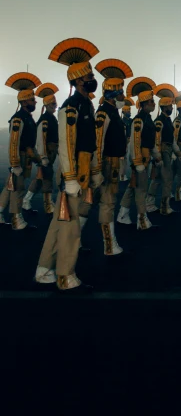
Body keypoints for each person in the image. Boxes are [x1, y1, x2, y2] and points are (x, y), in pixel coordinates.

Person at [35, 38, 102, 292]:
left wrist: (93, 170)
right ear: (77, 80)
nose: (92, 79)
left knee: (59, 222)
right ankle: (65, 275)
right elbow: (66, 144)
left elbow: (89, 143)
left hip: (83, 170)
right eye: (88, 76)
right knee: (71, 226)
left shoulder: (86, 104)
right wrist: (71, 177)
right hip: (74, 172)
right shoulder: (70, 107)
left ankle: (44, 269)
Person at [93, 58, 133, 254]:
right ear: (113, 93)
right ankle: (109, 244)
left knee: (96, 203)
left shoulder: (113, 112)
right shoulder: (104, 113)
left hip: (113, 162)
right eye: (121, 92)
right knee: (107, 203)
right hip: (107, 164)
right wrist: (98, 169)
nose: (123, 96)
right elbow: (98, 142)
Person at [117, 77, 162, 230]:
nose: (153, 104)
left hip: (146, 158)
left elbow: (151, 141)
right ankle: (142, 220)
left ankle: (123, 213)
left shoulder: (148, 118)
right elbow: (135, 143)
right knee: (141, 189)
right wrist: (137, 163)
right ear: (143, 104)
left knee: (133, 186)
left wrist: (156, 155)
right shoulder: (139, 120)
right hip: (140, 160)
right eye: (150, 102)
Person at [0, 72, 42, 229]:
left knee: (9, 186)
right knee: (18, 189)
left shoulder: (27, 116)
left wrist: (37, 159)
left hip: (26, 156)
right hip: (20, 157)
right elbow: (14, 142)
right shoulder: (19, 118)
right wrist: (15, 163)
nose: (35, 102)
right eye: (32, 99)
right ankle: (17, 220)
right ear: (24, 101)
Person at [22, 83, 60, 216]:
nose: (55, 106)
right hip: (46, 153)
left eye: (55, 104)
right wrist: (43, 156)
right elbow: (40, 140)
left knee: (40, 178)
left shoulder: (51, 119)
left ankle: (26, 200)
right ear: (47, 105)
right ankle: (48, 204)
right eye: (53, 104)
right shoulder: (45, 120)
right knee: (47, 178)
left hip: (51, 152)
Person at [146, 84, 177, 215]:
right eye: (170, 106)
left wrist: (178, 152)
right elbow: (157, 139)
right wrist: (158, 157)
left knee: (157, 179)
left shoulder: (167, 120)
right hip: (163, 151)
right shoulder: (160, 121)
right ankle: (164, 206)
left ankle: (150, 203)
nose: (171, 108)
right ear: (164, 107)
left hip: (166, 150)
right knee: (167, 179)